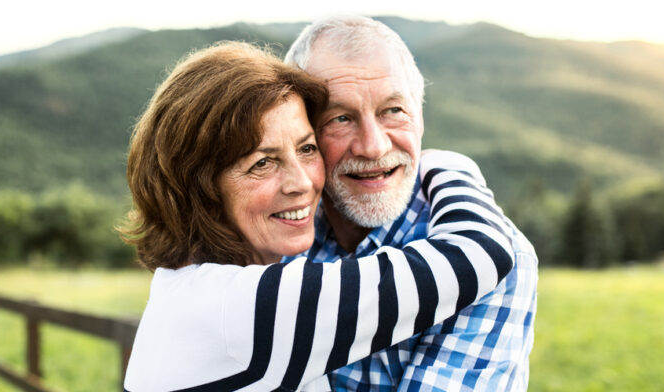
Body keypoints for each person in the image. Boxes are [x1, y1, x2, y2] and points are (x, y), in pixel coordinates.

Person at [120, 41, 519, 391]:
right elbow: (479, 252)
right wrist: (449, 165)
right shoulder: (243, 309)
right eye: (262, 163)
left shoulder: (186, 291)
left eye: (307, 149)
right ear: (199, 188)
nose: (303, 182)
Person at [283, 15, 539, 391]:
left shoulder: (493, 259)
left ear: (419, 119)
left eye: (393, 111)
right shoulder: (276, 234)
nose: (373, 147)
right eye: (340, 118)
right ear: (302, 137)